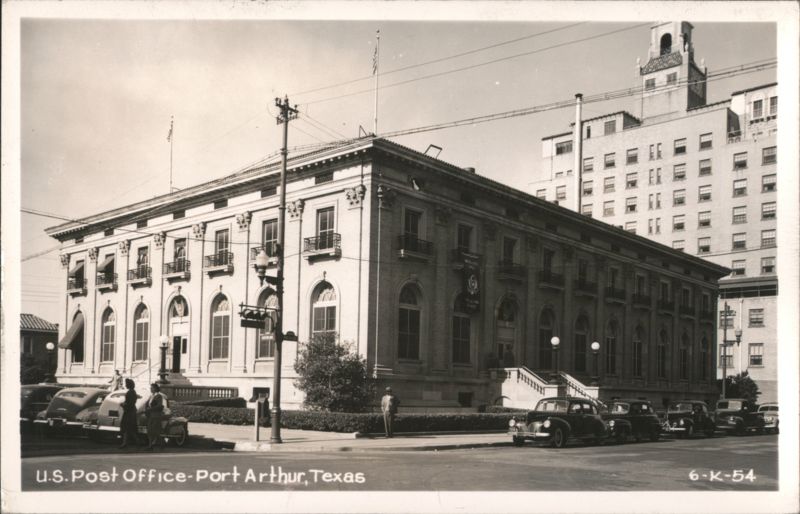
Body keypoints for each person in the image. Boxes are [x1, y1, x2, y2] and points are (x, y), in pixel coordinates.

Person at [119, 378, 139, 449]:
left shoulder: (130, 392)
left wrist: (123, 405)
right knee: (130, 428)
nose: (125, 385)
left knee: (127, 428)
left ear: (129, 385)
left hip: (129, 412)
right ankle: (128, 443)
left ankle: (127, 443)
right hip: (131, 411)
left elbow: (129, 403)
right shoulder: (133, 392)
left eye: (126, 384)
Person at [145, 383, 166, 450]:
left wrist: (150, 409)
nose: (150, 389)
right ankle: (150, 445)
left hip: (156, 415)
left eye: (152, 388)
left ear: (155, 388)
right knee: (149, 431)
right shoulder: (151, 396)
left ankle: (161, 443)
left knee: (155, 431)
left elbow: (159, 406)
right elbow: (148, 404)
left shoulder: (159, 396)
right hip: (151, 415)